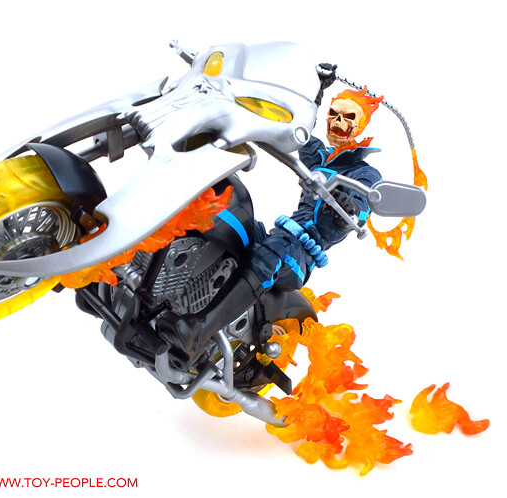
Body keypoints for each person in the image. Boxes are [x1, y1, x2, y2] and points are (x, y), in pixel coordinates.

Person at [157, 87, 384, 362]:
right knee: (232, 215)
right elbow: (298, 131)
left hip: (300, 254)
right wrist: (315, 93)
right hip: (281, 233)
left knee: (271, 254)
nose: (338, 121)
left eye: (349, 117)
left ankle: (199, 330)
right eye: (334, 113)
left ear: (361, 125)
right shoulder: (322, 157)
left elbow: (362, 206)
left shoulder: (363, 172)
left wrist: (349, 208)